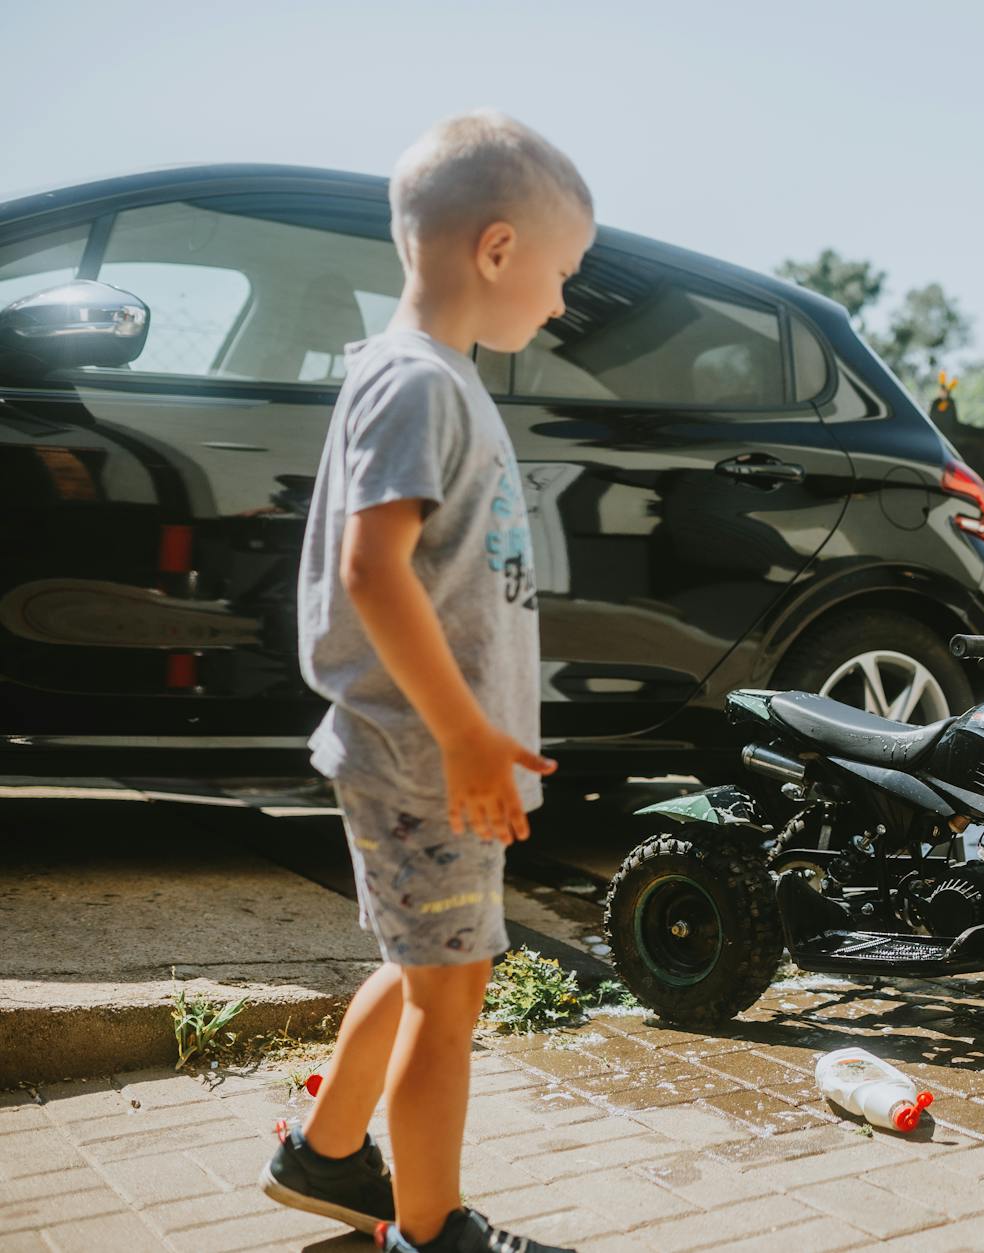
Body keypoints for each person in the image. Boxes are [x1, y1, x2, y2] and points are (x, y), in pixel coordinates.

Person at [259, 110, 595, 1250]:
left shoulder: (429, 377)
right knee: (449, 999)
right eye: (560, 274)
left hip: (425, 750)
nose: (558, 302)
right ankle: (429, 1230)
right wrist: (462, 734)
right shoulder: (417, 382)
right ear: (496, 252)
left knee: (420, 970)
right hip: (421, 755)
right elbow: (371, 568)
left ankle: (327, 1153)